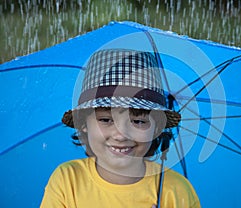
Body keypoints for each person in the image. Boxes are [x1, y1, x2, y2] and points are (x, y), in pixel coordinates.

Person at [40, 49, 201, 208]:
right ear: (83, 124)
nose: (121, 135)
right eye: (106, 119)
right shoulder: (68, 181)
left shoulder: (176, 191)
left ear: (157, 127)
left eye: (138, 121)